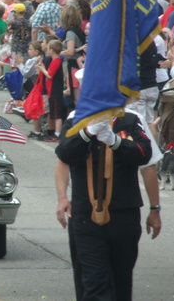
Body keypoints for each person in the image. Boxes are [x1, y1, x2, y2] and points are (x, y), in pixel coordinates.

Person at [55, 68, 162, 300]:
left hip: (124, 214)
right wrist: (87, 134)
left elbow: (144, 156)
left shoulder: (132, 120)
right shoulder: (76, 120)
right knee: (93, 282)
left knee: (121, 282)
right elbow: (64, 155)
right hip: (85, 214)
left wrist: (115, 142)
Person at [35, 39, 65, 141]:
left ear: (52, 50)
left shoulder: (57, 60)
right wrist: (43, 67)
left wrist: (42, 70)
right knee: (53, 112)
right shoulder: (54, 61)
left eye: (48, 49)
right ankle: (54, 133)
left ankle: (57, 133)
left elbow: (50, 75)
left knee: (57, 114)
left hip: (55, 90)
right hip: (51, 90)